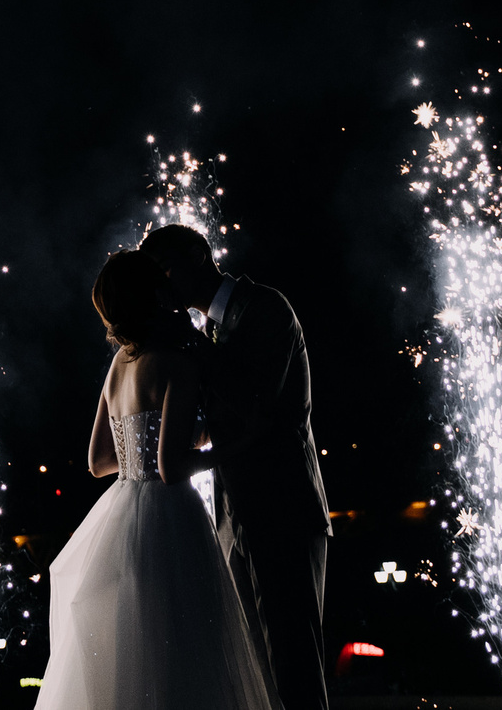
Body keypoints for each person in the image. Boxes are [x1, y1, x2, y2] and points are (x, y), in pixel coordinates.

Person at [31, 249, 278, 710]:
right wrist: (240, 443)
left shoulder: (119, 364)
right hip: (170, 519)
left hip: (121, 513)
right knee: (184, 650)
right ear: (153, 295)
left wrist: (147, 454)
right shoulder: (176, 363)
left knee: (133, 652)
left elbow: (99, 461)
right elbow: (169, 469)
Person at [140, 223, 331, 710]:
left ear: (201, 255)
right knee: (256, 677)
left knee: (293, 670)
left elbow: (256, 403)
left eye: (165, 270)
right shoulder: (210, 330)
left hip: (283, 510)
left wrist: (193, 346)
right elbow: (219, 422)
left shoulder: (267, 307)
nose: (161, 286)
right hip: (234, 517)